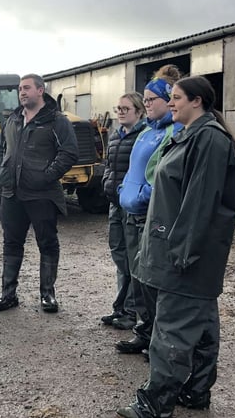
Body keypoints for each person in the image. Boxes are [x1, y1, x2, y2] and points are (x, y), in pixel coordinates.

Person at [116, 76, 235, 417]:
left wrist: (183, 253)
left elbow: (201, 203)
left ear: (197, 101)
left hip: (188, 255)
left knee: (173, 328)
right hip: (182, 250)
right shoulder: (188, 136)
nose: (171, 103)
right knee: (200, 326)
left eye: (177, 97)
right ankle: (196, 391)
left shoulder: (209, 141)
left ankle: (155, 403)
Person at [0, 73, 78, 312]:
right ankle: (8, 294)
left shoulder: (56, 120)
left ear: (40, 90)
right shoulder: (12, 120)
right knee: (11, 243)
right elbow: (0, 148)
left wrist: (45, 176)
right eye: (20, 88)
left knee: (47, 243)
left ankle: (47, 295)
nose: (22, 92)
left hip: (42, 194)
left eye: (27, 88)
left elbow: (69, 153)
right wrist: (2, 172)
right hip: (11, 193)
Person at [115, 65, 183, 355]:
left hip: (148, 216)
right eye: (144, 99)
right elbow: (134, 169)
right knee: (137, 277)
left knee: (151, 280)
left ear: (167, 100)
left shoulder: (172, 132)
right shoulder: (146, 132)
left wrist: (142, 196)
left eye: (151, 99)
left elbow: (162, 178)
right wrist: (123, 192)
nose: (147, 104)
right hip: (130, 213)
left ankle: (157, 335)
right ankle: (144, 330)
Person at [100, 93, 146, 329]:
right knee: (119, 255)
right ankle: (120, 307)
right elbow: (109, 165)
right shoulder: (117, 136)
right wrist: (107, 182)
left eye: (126, 109)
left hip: (131, 206)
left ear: (139, 112)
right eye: (118, 108)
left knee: (132, 258)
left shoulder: (144, 137)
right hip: (114, 204)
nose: (120, 112)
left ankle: (130, 312)